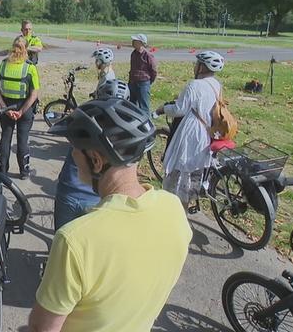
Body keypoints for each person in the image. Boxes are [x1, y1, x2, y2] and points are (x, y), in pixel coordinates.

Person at [30, 99, 191, 332]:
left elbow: (41, 329)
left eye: (74, 151)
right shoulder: (174, 208)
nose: (74, 158)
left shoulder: (75, 239)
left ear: (96, 160)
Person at [54, 78, 130, 231]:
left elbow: (62, 127)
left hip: (69, 190)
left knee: (60, 241)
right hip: (98, 198)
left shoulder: (84, 117)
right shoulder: (128, 131)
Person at [155, 51, 225, 209]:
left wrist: (163, 108)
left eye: (196, 64)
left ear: (201, 67)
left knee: (179, 169)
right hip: (207, 131)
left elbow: (179, 109)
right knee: (194, 171)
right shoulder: (216, 85)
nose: (194, 66)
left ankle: (176, 207)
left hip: (191, 131)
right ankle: (187, 202)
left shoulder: (193, 85)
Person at [0, 37, 40, 179]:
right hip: (24, 109)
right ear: (26, 50)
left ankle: (3, 171)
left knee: (5, 138)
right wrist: (21, 111)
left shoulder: (2, 65)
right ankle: (24, 173)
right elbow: (34, 93)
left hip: (6, 107)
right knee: (23, 140)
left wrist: (5, 109)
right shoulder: (30, 67)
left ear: (12, 47)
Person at [128, 33, 157, 114]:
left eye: (135, 40)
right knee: (131, 105)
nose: (133, 42)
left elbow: (153, 71)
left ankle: (146, 124)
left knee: (144, 107)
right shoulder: (133, 53)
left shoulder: (148, 55)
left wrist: (148, 82)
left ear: (141, 43)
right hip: (132, 82)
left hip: (143, 83)